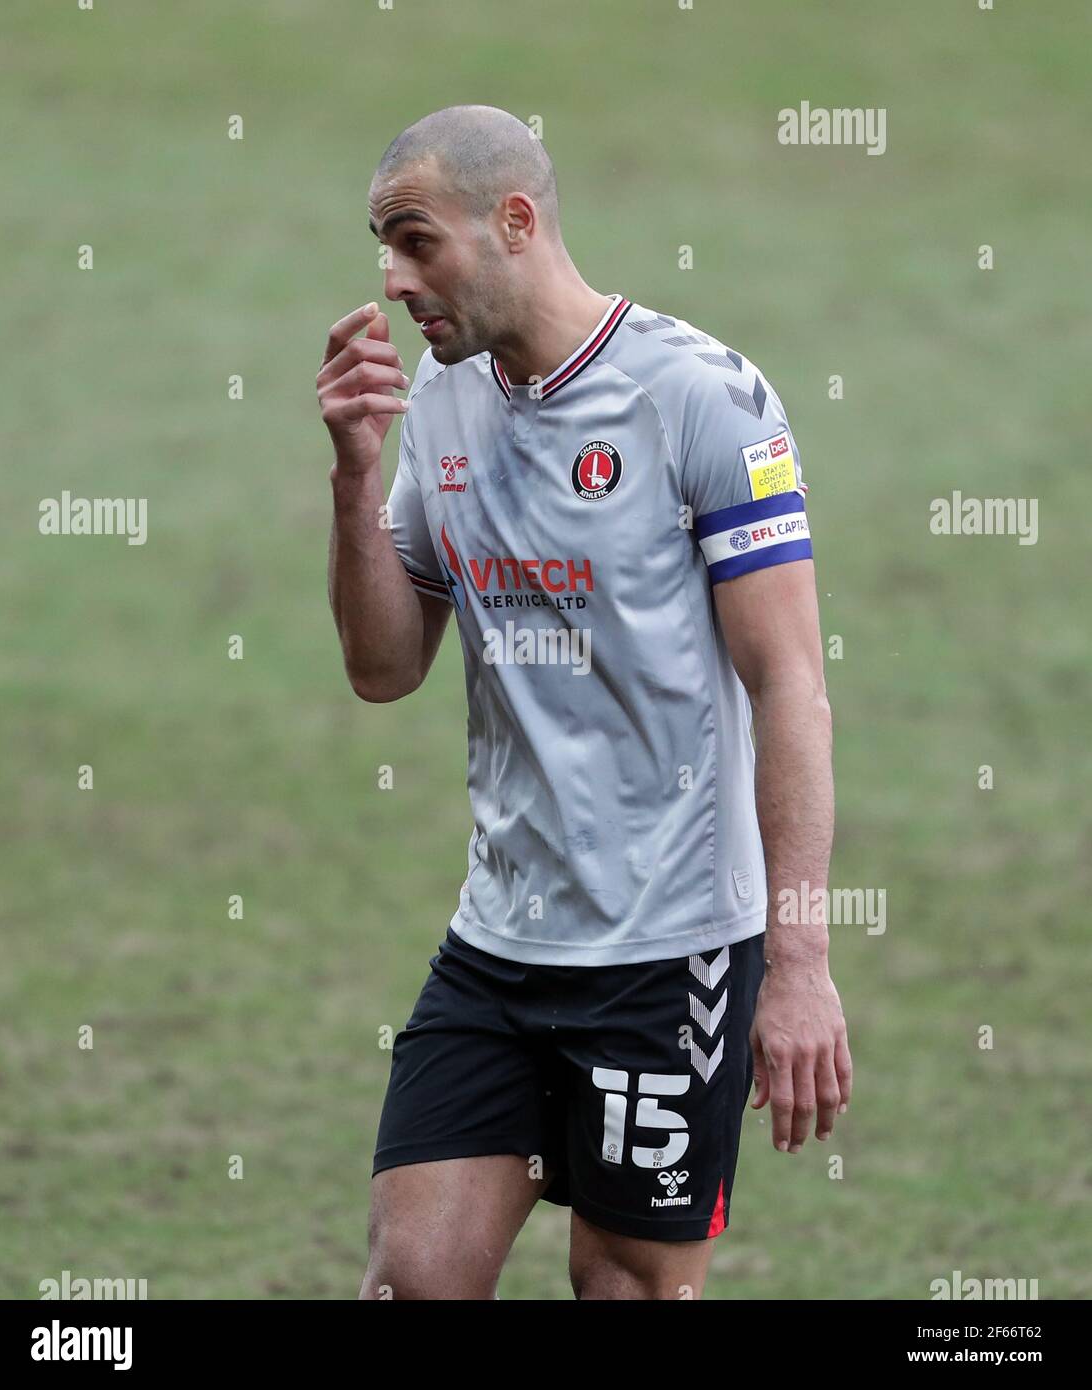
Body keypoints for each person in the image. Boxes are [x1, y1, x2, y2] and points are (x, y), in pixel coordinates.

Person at [317, 105, 851, 1300]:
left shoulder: (704, 398)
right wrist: (356, 477)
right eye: (381, 248)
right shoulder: (443, 405)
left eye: (415, 243)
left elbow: (790, 685)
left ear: (514, 221)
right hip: (498, 942)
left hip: (669, 957)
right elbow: (382, 665)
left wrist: (800, 962)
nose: (393, 281)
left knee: (625, 1289)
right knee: (411, 1282)